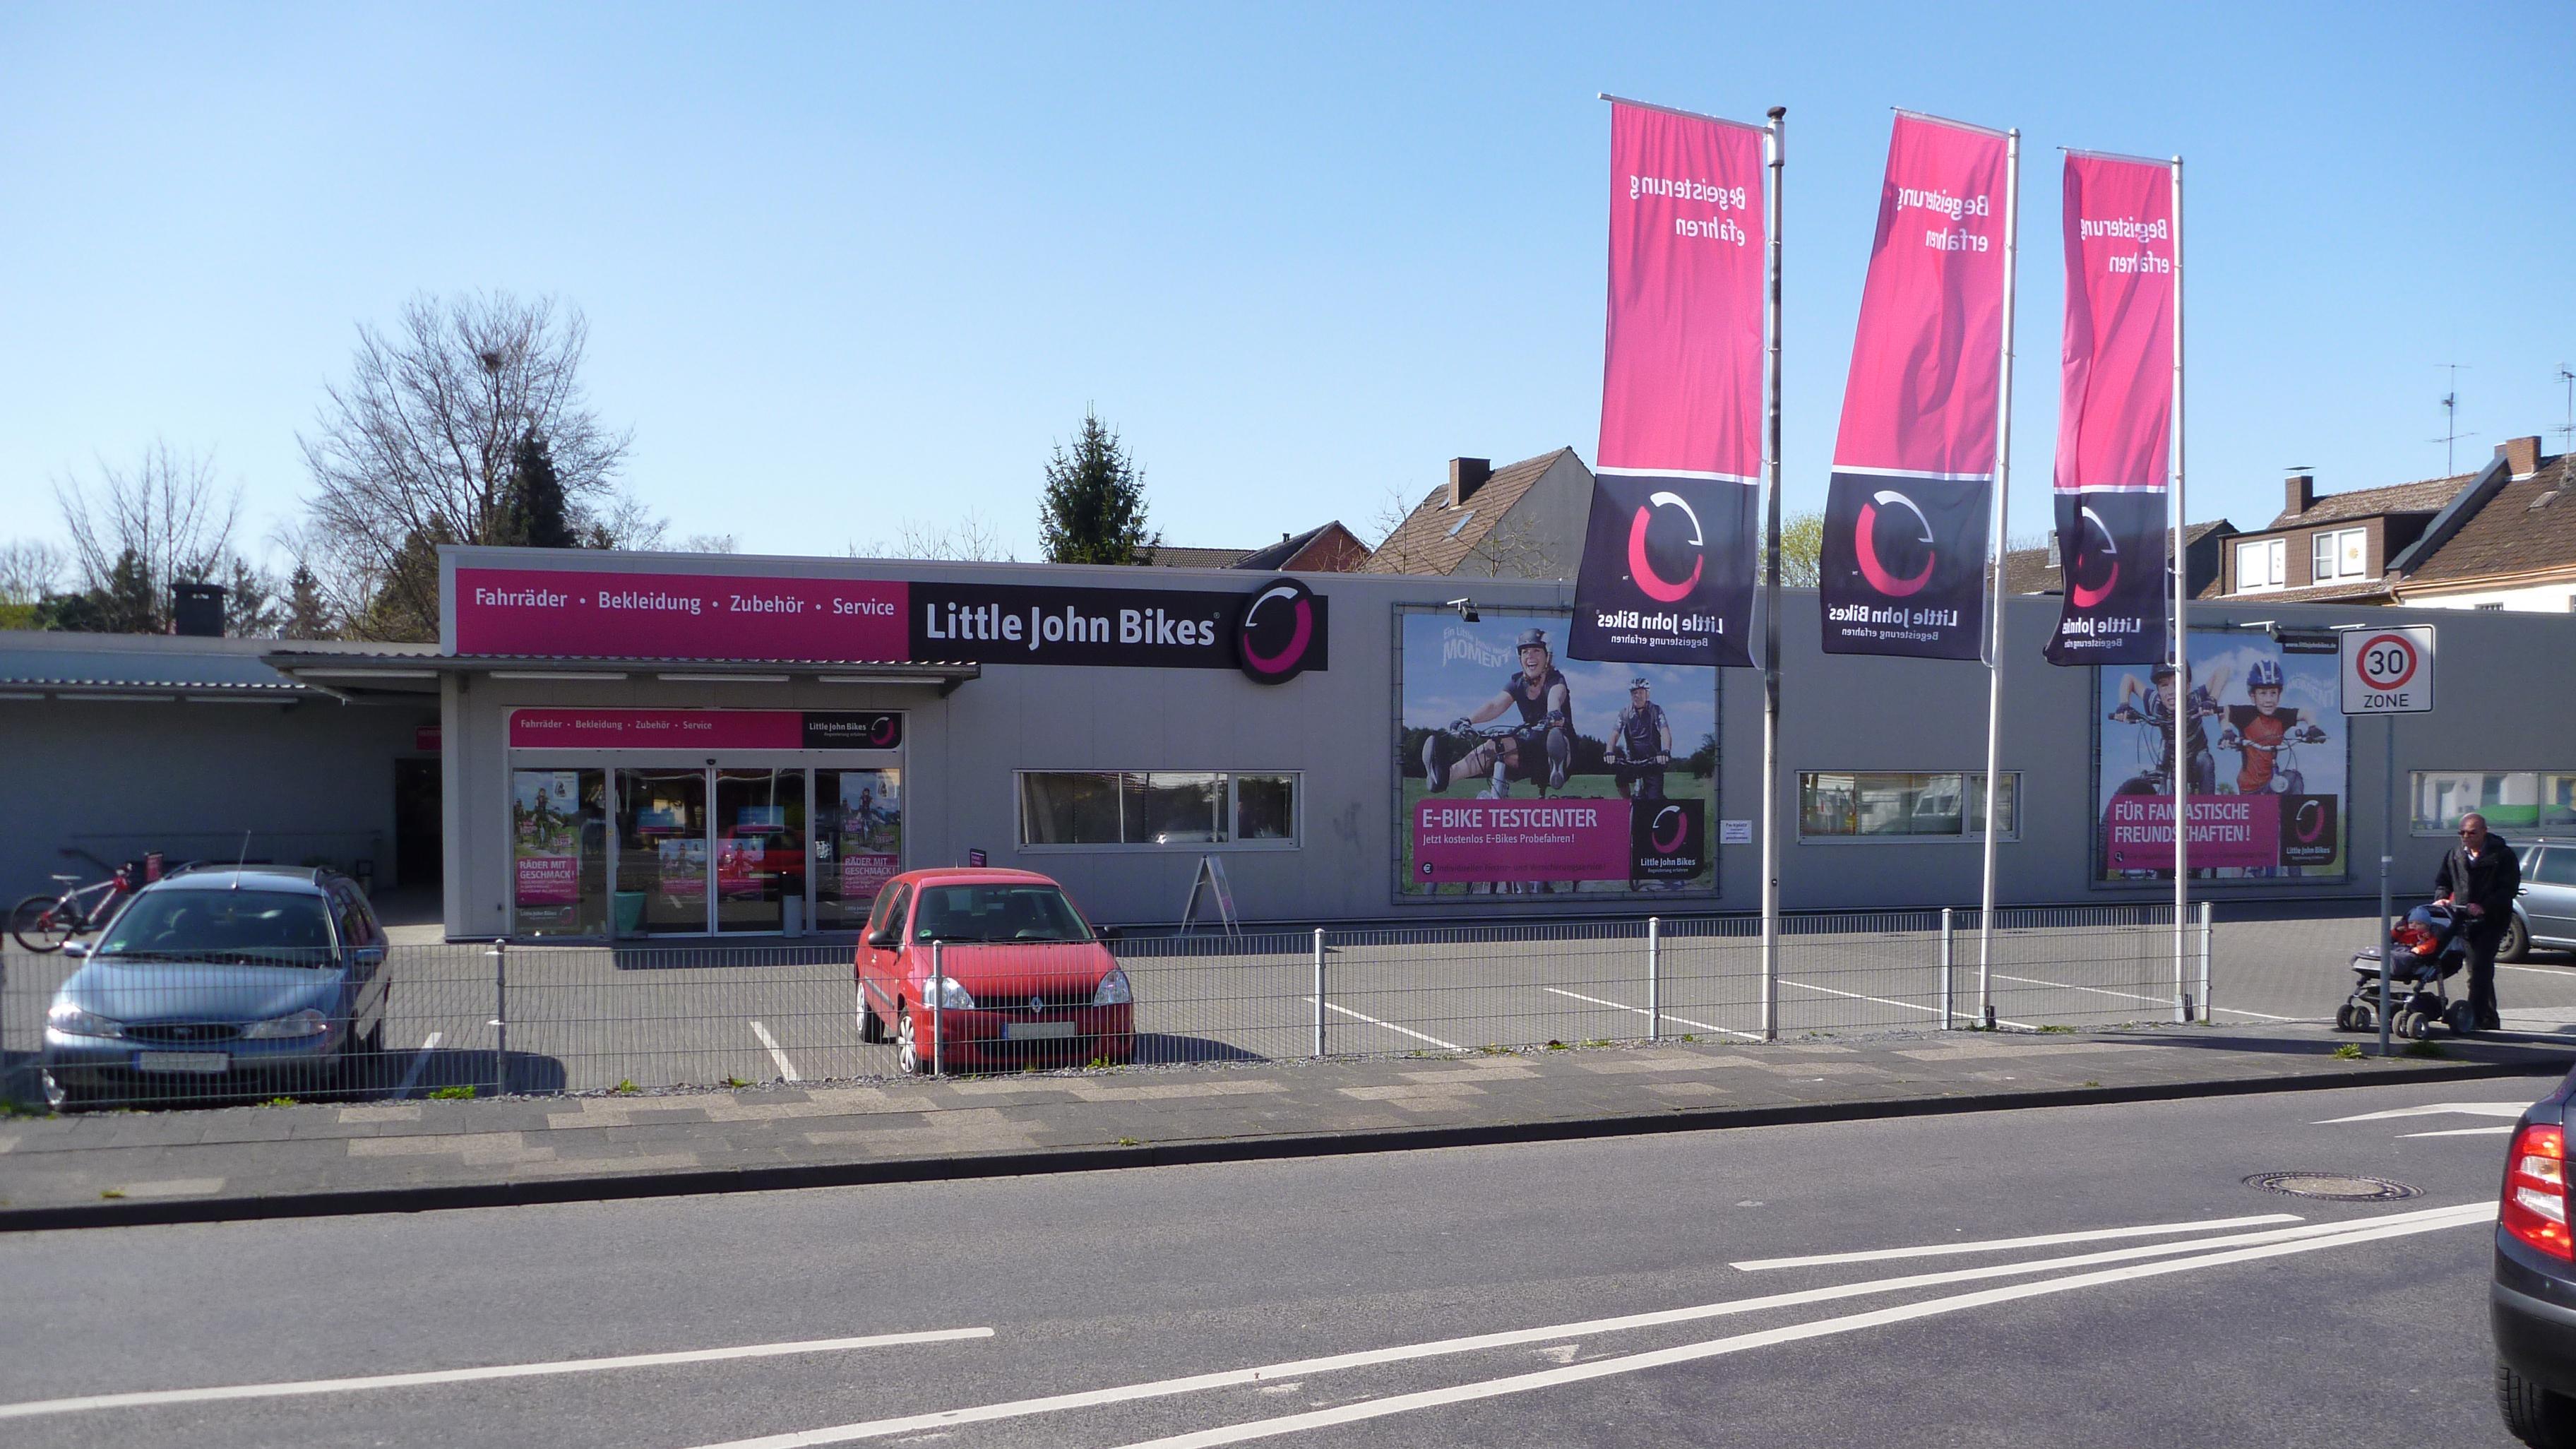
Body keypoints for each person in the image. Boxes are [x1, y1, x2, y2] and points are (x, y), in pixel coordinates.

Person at [1421, 627, 1573, 798]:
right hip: (1531, 747)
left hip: (1559, 746)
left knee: (1556, 737)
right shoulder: (1517, 682)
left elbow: (1556, 695)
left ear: (1548, 656)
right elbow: (1495, 705)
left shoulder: (1555, 680)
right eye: (1525, 652)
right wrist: (1468, 720)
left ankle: (1557, 766)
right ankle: (1443, 777)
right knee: (1495, 745)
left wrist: (1553, 713)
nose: (1530, 656)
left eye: (1536, 651)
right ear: (1520, 658)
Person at [2434, 811, 2520, 1031]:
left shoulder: (2502, 855)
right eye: (2462, 833)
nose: (2466, 837)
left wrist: (2484, 906)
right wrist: (2442, 898)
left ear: (2484, 831)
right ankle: (2489, 1017)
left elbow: (2508, 889)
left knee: (2480, 967)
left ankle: (2475, 1018)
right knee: (2476, 969)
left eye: (2472, 833)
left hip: (2492, 920)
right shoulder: (2455, 854)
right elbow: (2443, 881)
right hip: (2462, 918)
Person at [2216, 657, 2328, 795]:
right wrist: (2227, 731)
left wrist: (2313, 727)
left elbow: (2306, 713)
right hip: (2249, 787)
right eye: (2263, 694)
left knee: (2294, 777)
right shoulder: (2247, 715)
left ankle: (2295, 810)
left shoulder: (2281, 716)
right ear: (2253, 696)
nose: (2268, 700)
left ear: (2279, 695)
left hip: (2271, 782)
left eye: (2273, 693)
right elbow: (2223, 711)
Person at [1607, 676, 1672, 801]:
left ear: (1648, 694)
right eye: (1634, 693)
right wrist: (1609, 751)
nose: (1637, 696)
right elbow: (1615, 734)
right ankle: (1628, 803)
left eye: (1641, 692)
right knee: (1620, 779)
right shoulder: (1625, 712)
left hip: (1653, 760)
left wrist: (1666, 751)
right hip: (1632, 760)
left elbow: (1665, 731)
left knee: (1655, 799)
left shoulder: (1655, 710)